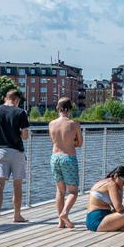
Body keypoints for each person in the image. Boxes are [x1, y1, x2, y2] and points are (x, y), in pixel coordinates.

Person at [0, 88, 30, 227]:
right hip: (17, 152)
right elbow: (25, 136)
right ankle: (17, 215)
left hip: (0, 151)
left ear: (6, 98)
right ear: (17, 100)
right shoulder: (21, 112)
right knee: (17, 185)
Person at [48, 98, 84, 229]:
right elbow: (79, 144)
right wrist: (72, 141)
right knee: (73, 192)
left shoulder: (51, 124)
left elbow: (54, 141)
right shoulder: (74, 124)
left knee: (60, 191)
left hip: (55, 157)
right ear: (69, 109)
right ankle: (64, 213)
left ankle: (60, 222)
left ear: (58, 108)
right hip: (68, 158)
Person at [83, 165, 124, 232]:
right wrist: (121, 190)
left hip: (93, 219)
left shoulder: (105, 182)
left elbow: (117, 208)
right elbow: (118, 208)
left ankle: (122, 226)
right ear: (116, 176)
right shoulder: (112, 184)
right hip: (97, 221)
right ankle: (122, 227)